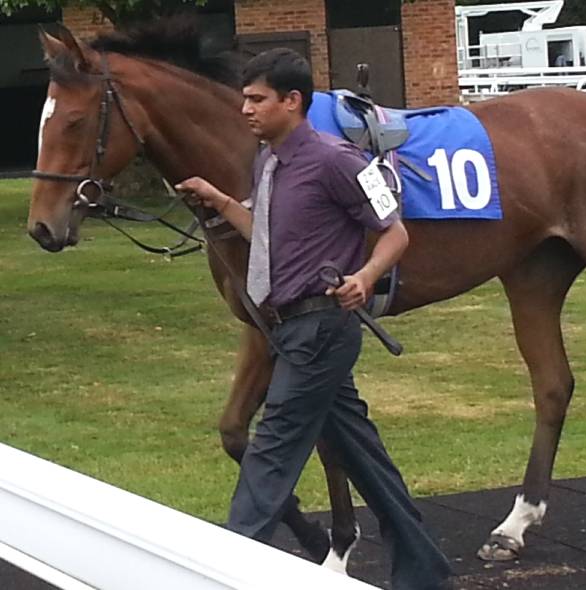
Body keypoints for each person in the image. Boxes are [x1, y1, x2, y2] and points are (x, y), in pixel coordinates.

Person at [175, 48, 451, 590]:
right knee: (362, 455)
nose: (246, 110)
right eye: (245, 99)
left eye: (257, 99)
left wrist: (365, 276)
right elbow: (265, 237)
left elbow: (395, 231)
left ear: (292, 101)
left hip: (321, 328)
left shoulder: (340, 160)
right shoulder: (268, 161)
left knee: (272, 450)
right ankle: (424, 569)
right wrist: (217, 200)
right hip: (290, 328)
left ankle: (222, 572)